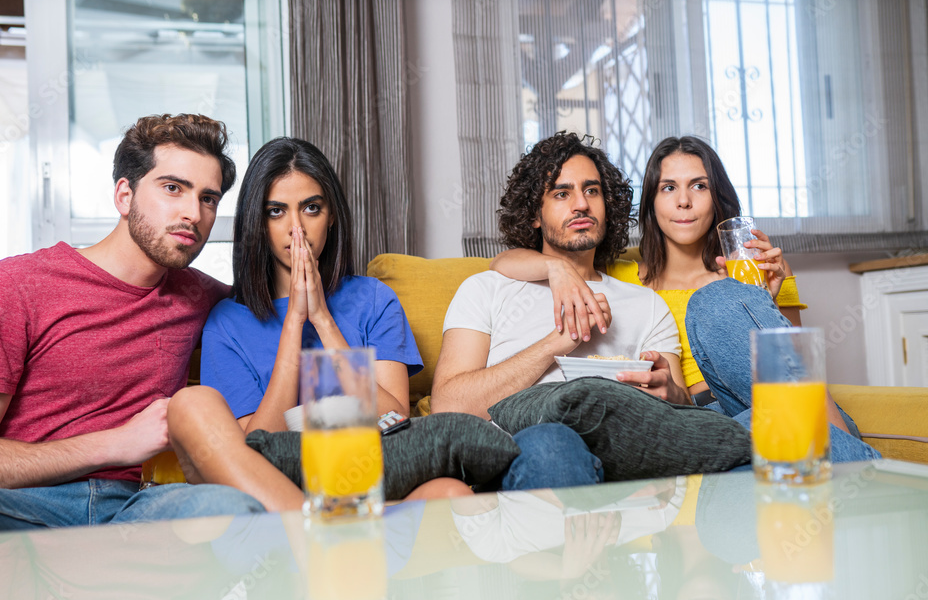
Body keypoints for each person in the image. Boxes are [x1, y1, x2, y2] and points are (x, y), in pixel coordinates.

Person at [0, 113, 267, 538]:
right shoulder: (15, 285)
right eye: (172, 188)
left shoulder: (204, 297)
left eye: (209, 198)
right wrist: (115, 443)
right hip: (19, 510)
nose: (193, 213)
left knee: (232, 507)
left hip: (134, 512)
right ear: (124, 195)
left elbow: (279, 306)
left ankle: (104, 575)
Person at [490, 135, 879, 462]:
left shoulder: (754, 270)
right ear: (651, 203)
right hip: (704, 422)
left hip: (774, 403)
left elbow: (800, 370)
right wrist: (556, 269)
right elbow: (502, 261)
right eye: (668, 188)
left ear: (717, 198)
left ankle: (847, 455)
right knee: (759, 424)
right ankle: (851, 462)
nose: (683, 202)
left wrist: (762, 302)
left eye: (699, 186)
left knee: (721, 302)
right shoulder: (622, 277)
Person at [166, 137, 470, 510]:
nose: (297, 229)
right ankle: (310, 528)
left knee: (452, 493)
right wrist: (294, 323)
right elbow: (256, 451)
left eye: (311, 208)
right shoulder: (227, 323)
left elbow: (393, 420)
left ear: (332, 216)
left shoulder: (374, 299)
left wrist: (323, 320)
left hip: (371, 482)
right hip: (278, 497)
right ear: (257, 223)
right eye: (276, 212)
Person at [431, 131, 690, 490]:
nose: (581, 204)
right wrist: (557, 342)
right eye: (561, 193)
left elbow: (683, 410)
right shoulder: (486, 289)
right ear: (534, 215)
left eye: (592, 191)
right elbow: (448, 406)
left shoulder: (646, 304)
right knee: (552, 442)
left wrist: (671, 394)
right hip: (528, 453)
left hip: (624, 456)